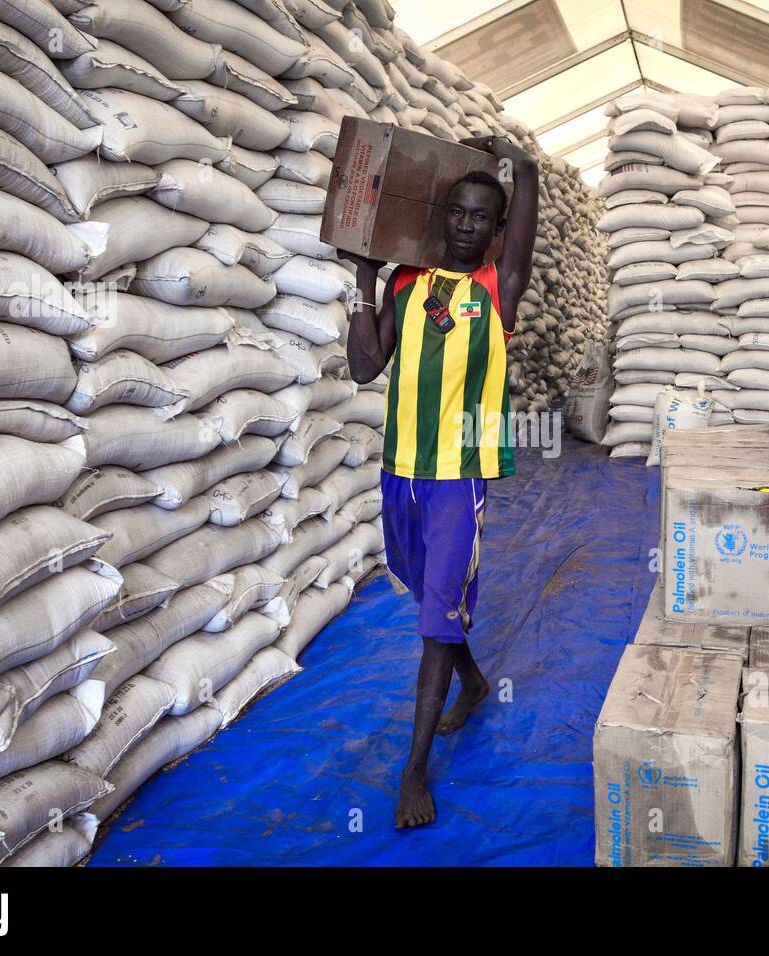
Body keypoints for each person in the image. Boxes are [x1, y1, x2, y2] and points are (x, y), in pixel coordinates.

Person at [340, 135, 538, 829]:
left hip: (459, 480)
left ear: (496, 228)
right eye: (457, 211)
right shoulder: (407, 284)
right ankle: (476, 681)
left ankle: (414, 769)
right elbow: (365, 366)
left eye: (482, 216)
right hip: (402, 472)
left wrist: (520, 161)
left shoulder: (498, 289)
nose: (466, 224)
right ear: (442, 215)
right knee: (432, 598)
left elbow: (525, 224)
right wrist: (364, 280)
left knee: (432, 624)